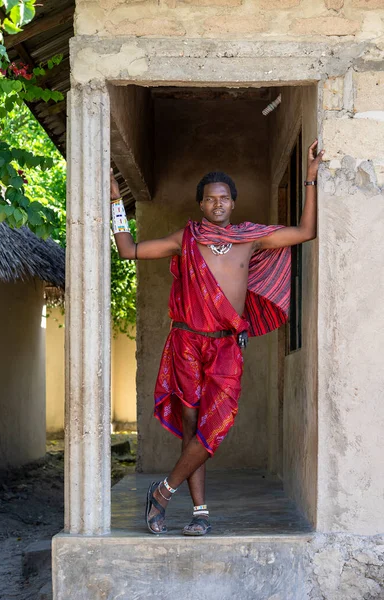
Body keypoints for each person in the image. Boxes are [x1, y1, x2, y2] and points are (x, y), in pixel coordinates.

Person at [110, 139, 324, 536]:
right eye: (210, 199)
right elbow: (128, 250)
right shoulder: (185, 239)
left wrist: (309, 178)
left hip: (227, 344)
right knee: (192, 430)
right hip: (186, 344)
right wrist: (113, 204)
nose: (218, 204)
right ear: (201, 204)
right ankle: (200, 514)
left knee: (215, 427)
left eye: (224, 198)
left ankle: (163, 491)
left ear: (233, 203)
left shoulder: (250, 238)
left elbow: (306, 231)